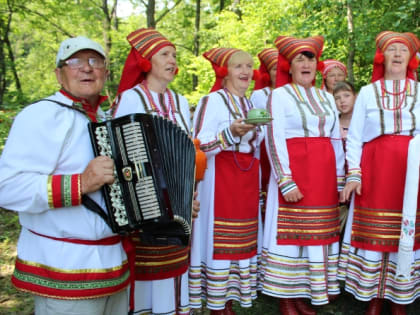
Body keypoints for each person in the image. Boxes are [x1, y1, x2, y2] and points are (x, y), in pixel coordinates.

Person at [0, 36, 129, 315]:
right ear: (59, 73)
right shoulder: (40, 116)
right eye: (75, 61)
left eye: (95, 61)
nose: (86, 68)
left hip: (115, 268)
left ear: (106, 73)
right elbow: (7, 188)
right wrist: (81, 183)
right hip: (63, 270)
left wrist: (166, 207)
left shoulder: (106, 120)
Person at [112, 28, 195, 315]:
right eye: (165, 54)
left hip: (179, 203)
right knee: (150, 267)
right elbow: (121, 156)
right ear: (147, 61)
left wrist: (190, 194)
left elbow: (188, 152)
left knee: (175, 260)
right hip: (145, 205)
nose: (172, 60)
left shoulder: (181, 102)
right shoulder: (131, 99)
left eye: (174, 55)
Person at [261, 35, 345, 315]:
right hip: (294, 170)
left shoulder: (325, 97)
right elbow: (274, 137)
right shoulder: (279, 95)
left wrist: (340, 177)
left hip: (323, 172)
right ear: (290, 66)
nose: (306, 64)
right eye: (300, 59)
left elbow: (335, 139)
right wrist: (285, 179)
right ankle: (286, 298)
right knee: (291, 233)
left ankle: (307, 293)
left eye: (310, 58)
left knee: (317, 233)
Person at [338, 31, 420, 315]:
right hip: (375, 170)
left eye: (403, 50)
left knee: (404, 230)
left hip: (410, 173)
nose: (397, 54)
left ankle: (399, 297)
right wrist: (355, 174)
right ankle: (374, 295)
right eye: (391, 50)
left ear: (411, 59)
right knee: (376, 232)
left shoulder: (419, 92)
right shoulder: (369, 93)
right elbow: (355, 137)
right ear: (381, 57)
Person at [189, 47, 264, 315]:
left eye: (248, 66)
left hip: (245, 177)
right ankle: (219, 306)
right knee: (219, 240)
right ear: (225, 72)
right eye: (238, 67)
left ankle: (230, 301)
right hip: (219, 176)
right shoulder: (213, 101)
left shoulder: (252, 105)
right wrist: (229, 133)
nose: (245, 72)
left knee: (242, 241)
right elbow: (197, 142)